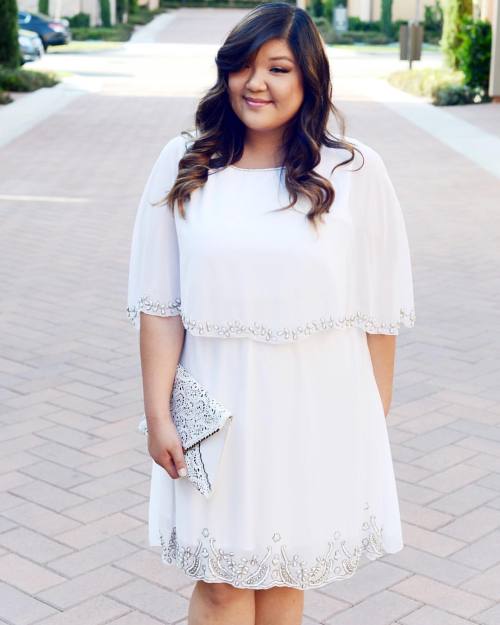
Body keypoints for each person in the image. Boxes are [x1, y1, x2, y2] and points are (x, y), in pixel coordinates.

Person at [126, 2, 416, 624]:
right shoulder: (185, 164)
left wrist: (370, 423)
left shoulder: (353, 172)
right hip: (215, 403)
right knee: (224, 582)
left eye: (278, 68)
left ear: (309, 78)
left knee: (284, 572)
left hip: (313, 404)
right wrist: (157, 416)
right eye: (243, 67)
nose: (256, 83)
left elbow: (378, 313)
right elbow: (160, 305)